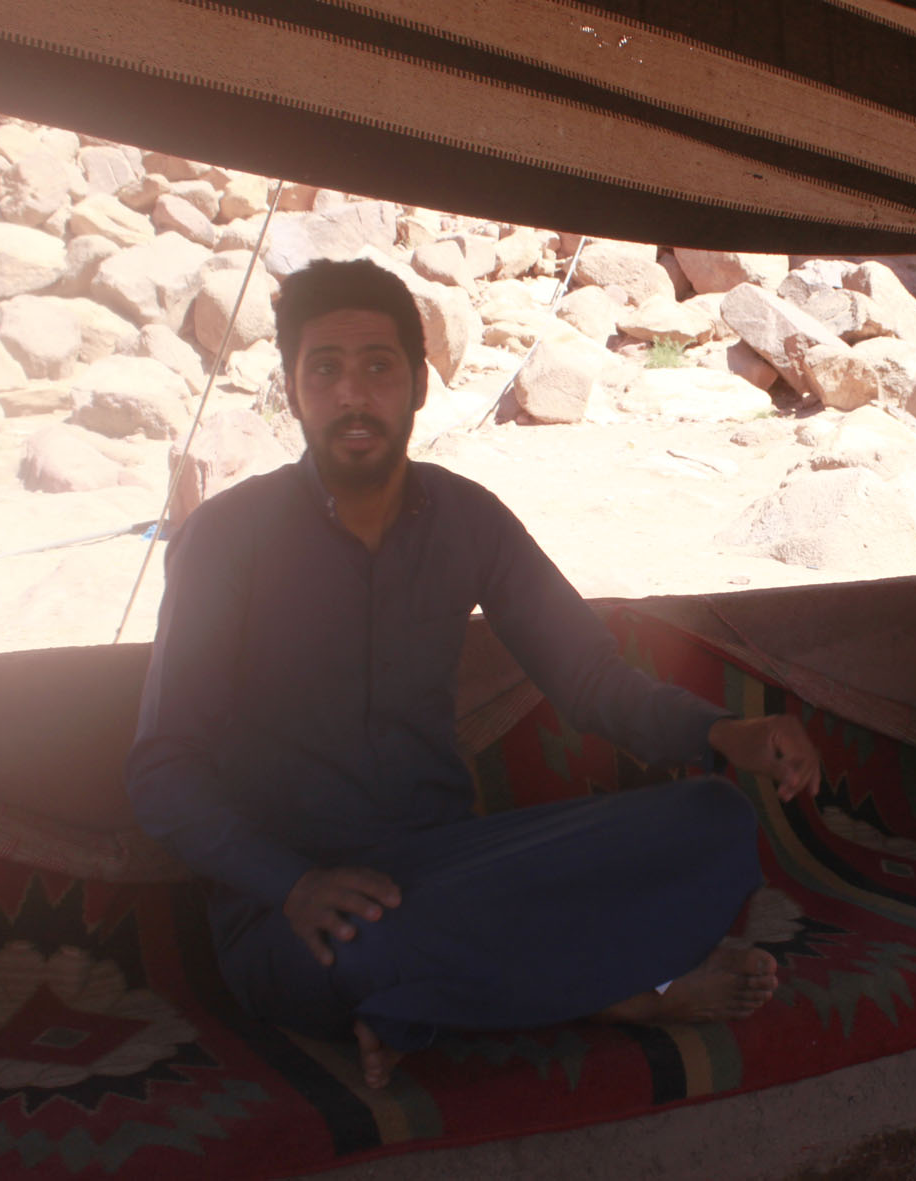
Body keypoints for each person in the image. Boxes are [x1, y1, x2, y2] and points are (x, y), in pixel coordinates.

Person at [127, 258, 819, 1090]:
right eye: (325, 370)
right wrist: (294, 883)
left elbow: (589, 677)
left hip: (452, 867)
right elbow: (162, 772)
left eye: (378, 367)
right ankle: (627, 996)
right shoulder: (224, 538)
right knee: (367, 948)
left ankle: (425, 1007)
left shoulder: (467, 518)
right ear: (295, 390)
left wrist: (723, 731)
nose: (353, 395)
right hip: (294, 912)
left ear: (419, 385)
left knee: (713, 822)